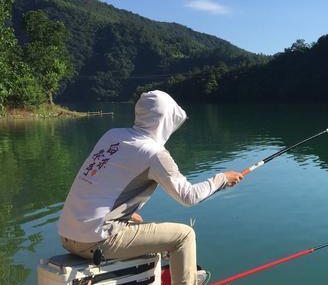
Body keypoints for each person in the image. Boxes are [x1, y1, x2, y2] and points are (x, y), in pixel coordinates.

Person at [57, 90, 243, 285]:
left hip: (67, 235)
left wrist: (126, 214)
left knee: (140, 223)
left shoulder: (112, 135)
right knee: (184, 235)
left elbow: (104, 187)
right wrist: (221, 179)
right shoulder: (154, 154)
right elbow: (188, 196)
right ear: (165, 121)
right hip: (95, 240)